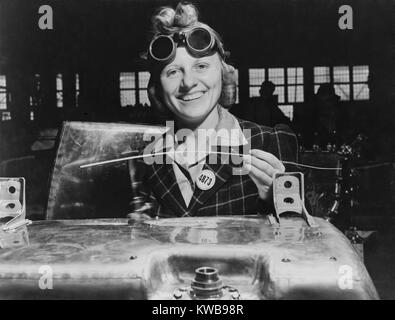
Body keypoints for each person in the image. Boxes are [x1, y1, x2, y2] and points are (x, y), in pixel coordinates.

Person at [129, 2, 298, 219]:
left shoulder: (269, 143)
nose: (188, 82)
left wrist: (275, 200)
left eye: (201, 66)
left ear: (223, 74)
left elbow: (303, 240)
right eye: (172, 72)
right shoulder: (148, 156)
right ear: (157, 89)